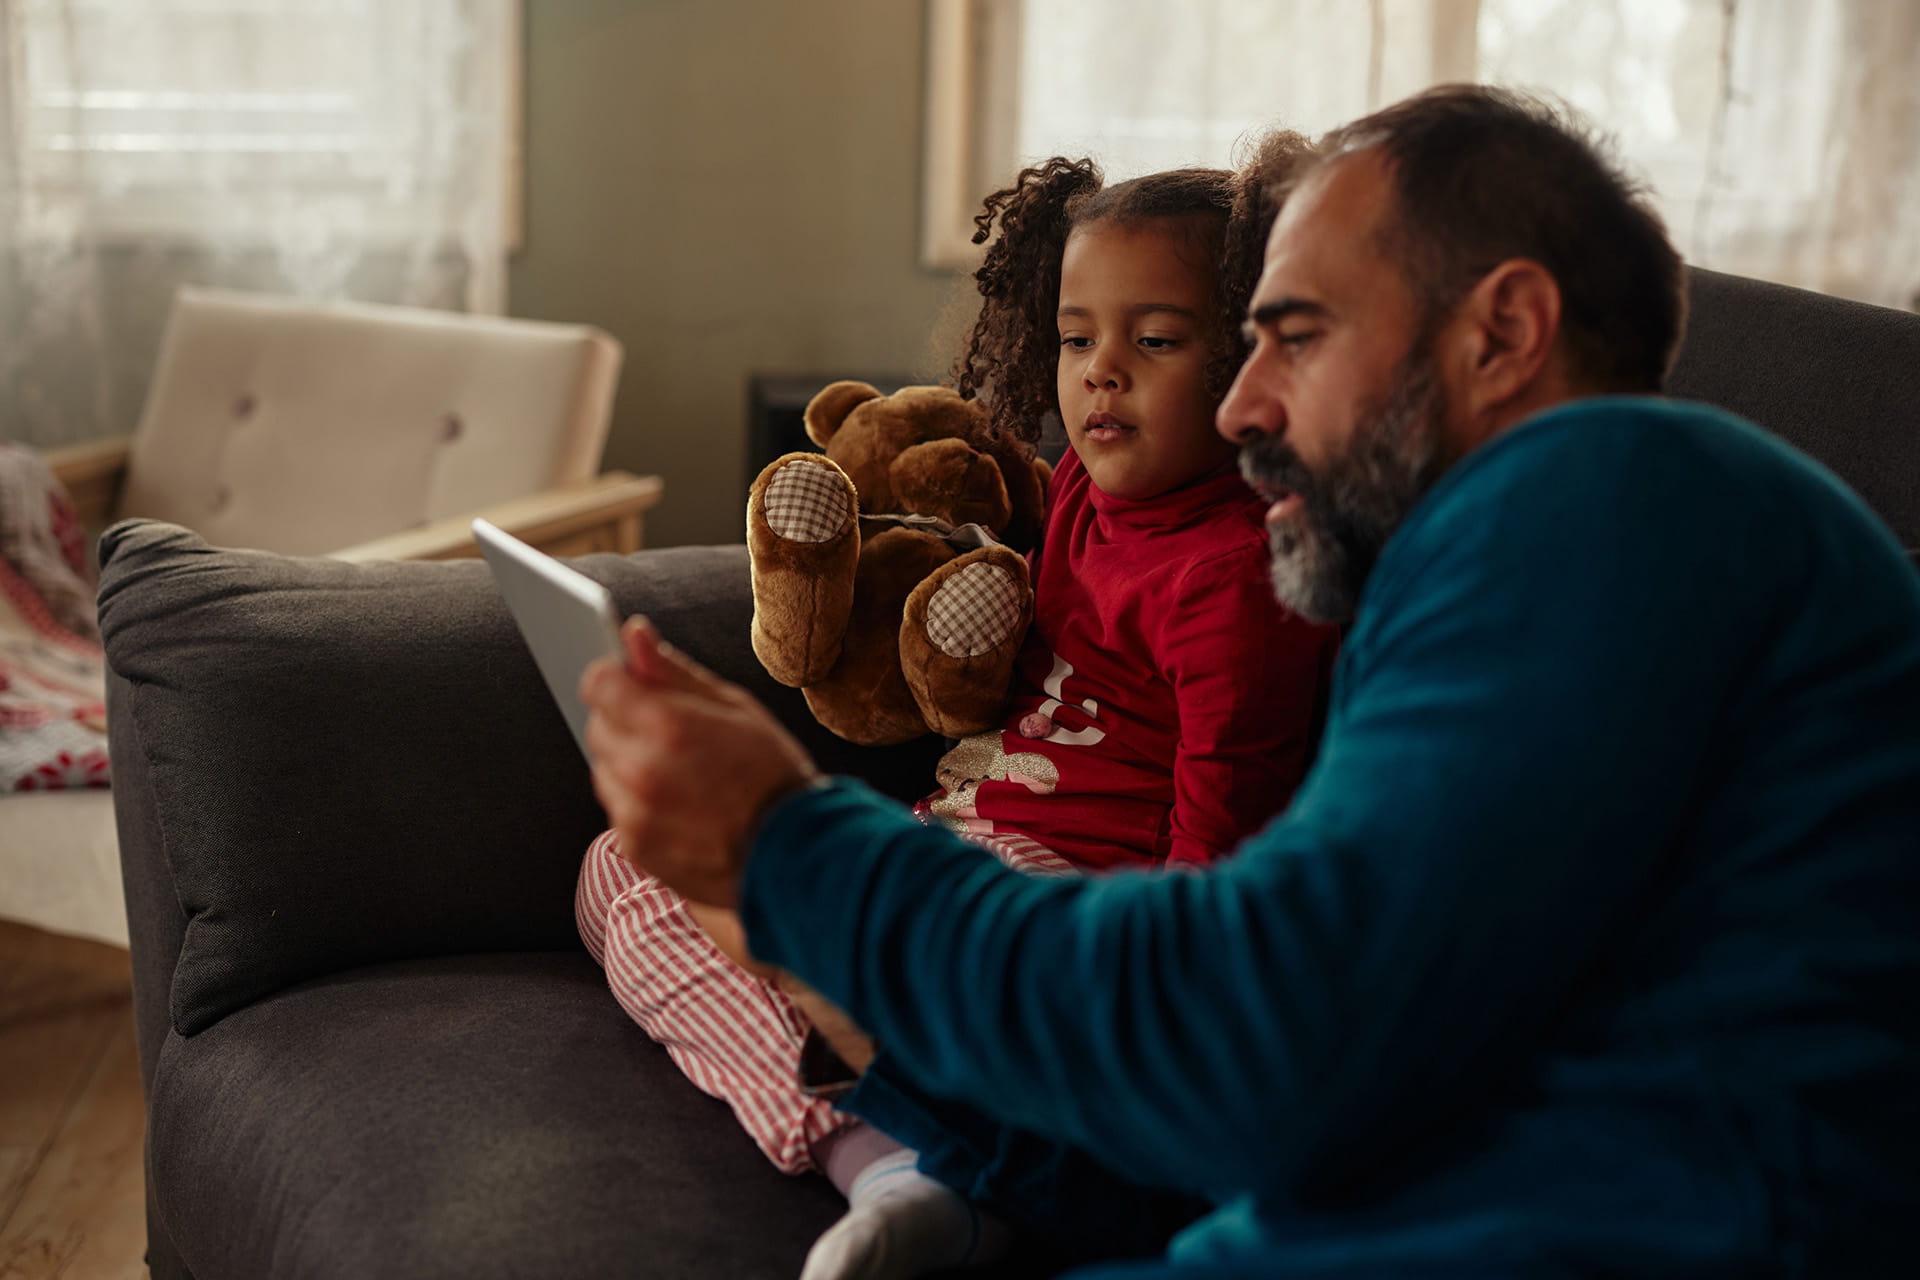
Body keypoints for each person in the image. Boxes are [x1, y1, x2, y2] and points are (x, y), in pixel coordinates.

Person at [580, 84, 1920, 1278]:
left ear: (1504, 331)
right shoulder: (1495, 568)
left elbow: (1255, 1038)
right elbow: (1280, 1083)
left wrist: (788, 851)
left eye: (1295, 335)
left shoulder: (1609, 492)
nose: (1240, 406)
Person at [575, 136, 1340, 1279]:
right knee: (620, 867)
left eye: (1158, 340)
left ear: (1251, 361)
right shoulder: (1080, 484)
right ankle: (884, 1156)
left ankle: (925, 1117)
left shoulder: (1237, 578)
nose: (1101, 374)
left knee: (864, 932)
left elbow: (1216, 875)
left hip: (1071, 899)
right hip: (954, 837)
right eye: (1078, 338)